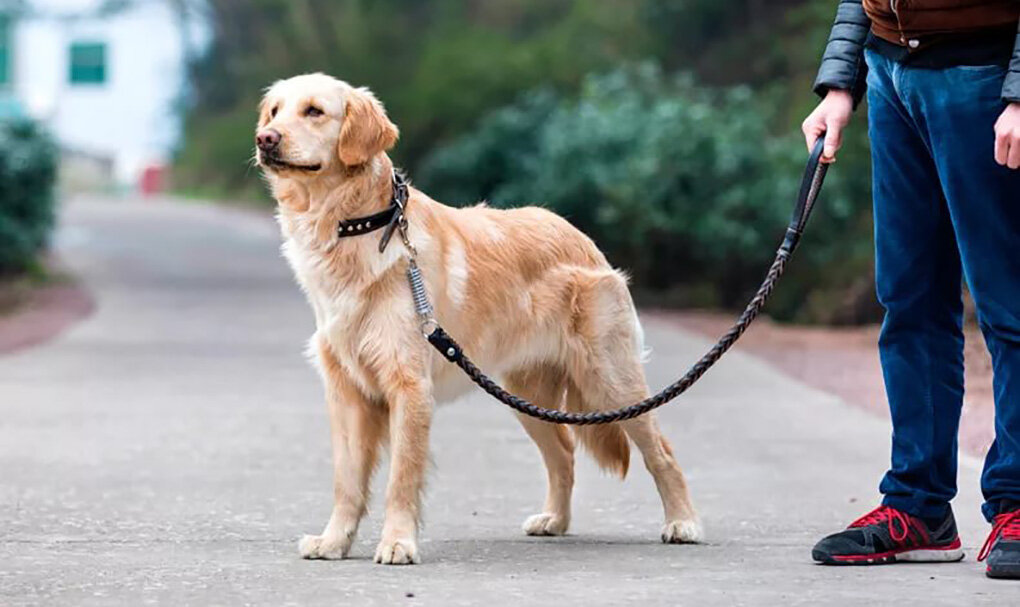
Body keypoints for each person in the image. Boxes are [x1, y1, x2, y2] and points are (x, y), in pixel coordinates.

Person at [803, 0, 1020, 578]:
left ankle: (1018, 503)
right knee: (910, 302)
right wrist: (841, 82)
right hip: (890, 74)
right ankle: (918, 507)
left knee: (1009, 306)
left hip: (984, 74)